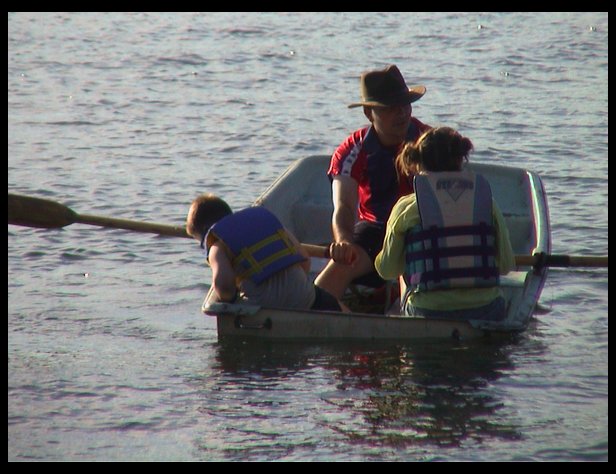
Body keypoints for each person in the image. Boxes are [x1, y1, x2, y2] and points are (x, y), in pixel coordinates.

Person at [314, 64, 431, 300]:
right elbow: (344, 206)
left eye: (405, 105)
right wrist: (343, 242)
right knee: (325, 286)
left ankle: (406, 305)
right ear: (369, 113)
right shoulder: (353, 150)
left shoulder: (428, 142)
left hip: (422, 227)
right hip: (376, 230)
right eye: (390, 108)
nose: (402, 113)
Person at [374, 127, 515, 320]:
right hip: (486, 309)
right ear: (460, 160)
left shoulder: (407, 207)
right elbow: (506, 265)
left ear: (417, 163)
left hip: (428, 312)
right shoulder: (486, 203)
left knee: (403, 274)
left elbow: (388, 270)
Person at [186, 194, 342, 311]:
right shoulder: (266, 223)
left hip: (262, 309)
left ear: (205, 232)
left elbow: (224, 287)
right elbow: (304, 260)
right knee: (331, 302)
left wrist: (232, 297)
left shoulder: (217, 246)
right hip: (303, 298)